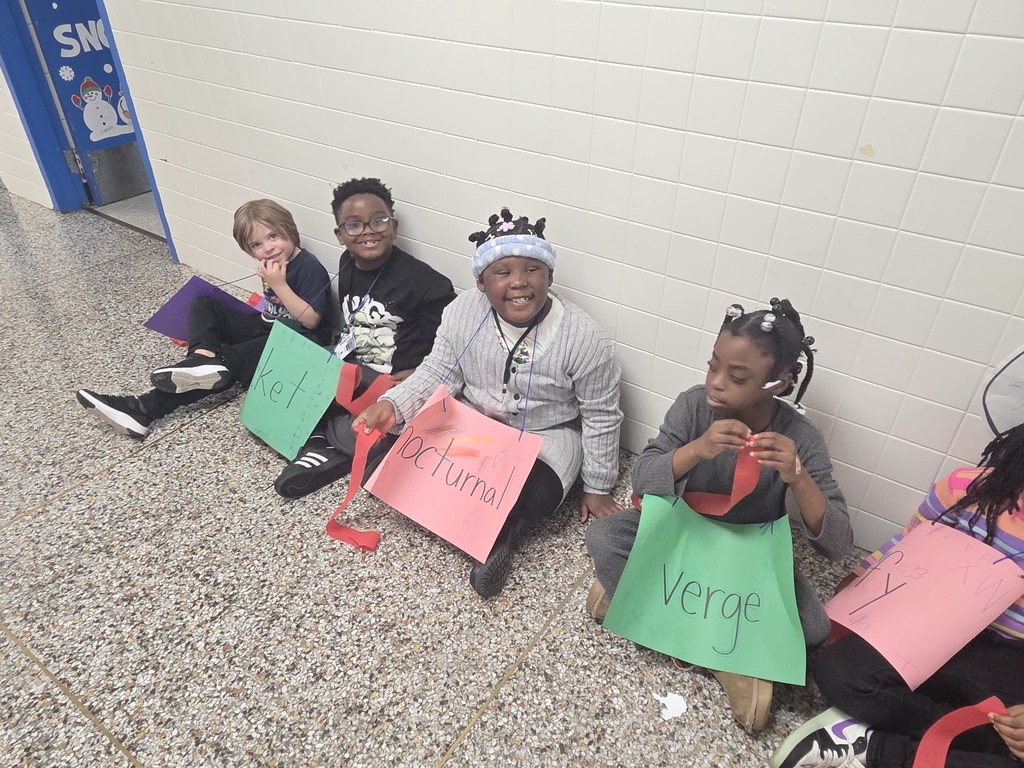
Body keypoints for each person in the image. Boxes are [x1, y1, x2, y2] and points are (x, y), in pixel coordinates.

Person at [585, 298, 853, 731]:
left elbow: (838, 544)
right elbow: (643, 478)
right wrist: (696, 450)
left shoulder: (799, 438)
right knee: (603, 537)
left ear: (779, 383)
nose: (716, 383)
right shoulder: (694, 406)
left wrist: (798, 477)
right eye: (713, 365)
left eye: (737, 376)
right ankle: (726, 660)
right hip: (681, 536)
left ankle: (636, 602)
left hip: (747, 556)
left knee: (813, 628)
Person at [353, 207, 624, 598]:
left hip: (544, 434)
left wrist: (598, 486)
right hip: (472, 420)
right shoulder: (462, 312)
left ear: (550, 276)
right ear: (481, 282)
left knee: (539, 494)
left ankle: (503, 532)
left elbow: (600, 416)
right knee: (386, 457)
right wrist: (393, 405)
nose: (519, 282)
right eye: (502, 272)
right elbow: (438, 371)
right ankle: (478, 513)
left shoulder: (584, 338)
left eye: (532, 270)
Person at [770, 424, 1024, 768]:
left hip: (1011, 660)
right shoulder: (965, 487)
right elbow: (908, 543)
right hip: (930, 628)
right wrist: (859, 586)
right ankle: (978, 741)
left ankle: (872, 747)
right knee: (838, 670)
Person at [77, 199, 331, 439]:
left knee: (228, 362)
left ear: (289, 229)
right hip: (268, 327)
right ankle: (200, 358)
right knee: (204, 303)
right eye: (257, 245)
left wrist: (279, 285)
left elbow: (311, 321)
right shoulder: (273, 263)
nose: (268, 247)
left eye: (273, 236)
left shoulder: (308, 267)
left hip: (298, 343)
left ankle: (144, 408)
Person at [272, 177, 455, 498]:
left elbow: (451, 351)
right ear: (340, 234)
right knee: (288, 368)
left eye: (379, 220)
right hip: (353, 369)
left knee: (375, 432)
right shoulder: (347, 263)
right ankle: (331, 439)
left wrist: (417, 374)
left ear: (394, 226)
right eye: (354, 225)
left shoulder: (428, 284)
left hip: (392, 386)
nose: (368, 231)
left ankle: (328, 446)